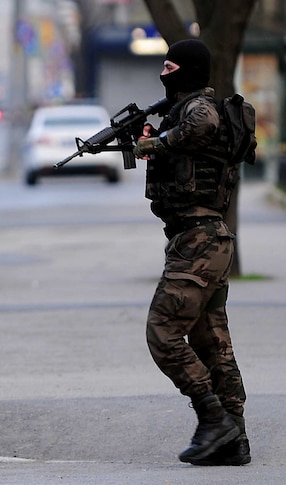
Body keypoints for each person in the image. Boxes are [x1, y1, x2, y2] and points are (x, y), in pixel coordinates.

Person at [133, 39, 250, 466]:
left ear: (188, 70)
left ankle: (213, 417)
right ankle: (234, 439)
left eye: (169, 66)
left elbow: (201, 125)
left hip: (199, 240)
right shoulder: (176, 112)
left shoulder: (199, 108)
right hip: (203, 238)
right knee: (210, 340)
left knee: (162, 332)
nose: (163, 74)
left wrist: (157, 143)